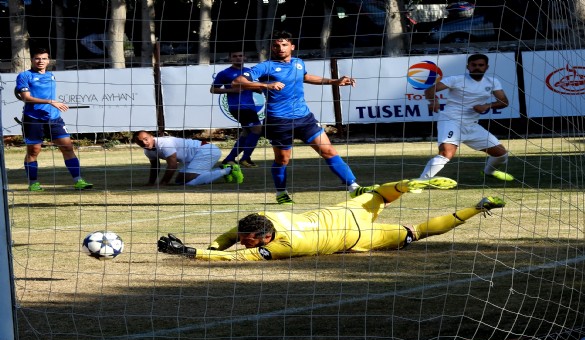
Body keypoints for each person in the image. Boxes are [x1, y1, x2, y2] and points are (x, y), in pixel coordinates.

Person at [156, 176, 505, 261]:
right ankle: (408, 184)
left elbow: (231, 257)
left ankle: (479, 206)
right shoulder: (261, 218)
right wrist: (211, 244)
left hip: (355, 237)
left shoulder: (279, 247)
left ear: (264, 238)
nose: (243, 239)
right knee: (383, 194)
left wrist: (191, 252)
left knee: (418, 231)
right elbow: (233, 235)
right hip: (347, 212)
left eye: (249, 239)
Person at [232, 30, 375, 205]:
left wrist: (334, 81)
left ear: (292, 46)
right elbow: (238, 81)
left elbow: (305, 77)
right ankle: (281, 193)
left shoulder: (298, 63)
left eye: (284, 45)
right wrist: (266, 84)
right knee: (282, 159)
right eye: (276, 45)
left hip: (304, 118)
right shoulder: (266, 66)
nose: (280, 48)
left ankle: (354, 187)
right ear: (272, 47)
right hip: (279, 121)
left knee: (329, 151)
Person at [421, 53, 514, 186]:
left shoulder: (492, 82)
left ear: (486, 67)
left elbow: (504, 101)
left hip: (471, 125)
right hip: (450, 120)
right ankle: (421, 182)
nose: (477, 68)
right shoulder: (456, 79)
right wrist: (433, 100)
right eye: (474, 65)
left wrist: (487, 105)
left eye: (480, 65)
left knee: (501, 154)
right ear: (468, 67)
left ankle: (489, 172)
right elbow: (430, 90)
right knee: (446, 153)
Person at [15, 48, 94, 192]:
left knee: (67, 147)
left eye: (44, 59)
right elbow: (26, 98)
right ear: (32, 60)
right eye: (38, 58)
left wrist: (52, 105)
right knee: (34, 150)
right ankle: (33, 183)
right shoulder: (24, 76)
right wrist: (50, 101)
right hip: (33, 119)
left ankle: (78, 181)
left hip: (54, 118)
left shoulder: (51, 75)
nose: (41, 61)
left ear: (48, 61)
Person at [132, 130, 244, 186]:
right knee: (179, 181)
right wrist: (151, 183)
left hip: (206, 150)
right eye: (140, 141)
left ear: (152, 137)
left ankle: (228, 169)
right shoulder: (147, 151)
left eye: (146, 139)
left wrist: (163, 183)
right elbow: (155, 166)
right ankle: (223, 170)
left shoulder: (164, 143)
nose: (144, 142)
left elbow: (173, 165)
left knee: (190, 183)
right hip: (195, 156)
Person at [210, 50, 262, 168]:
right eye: (235, 56)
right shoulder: (225, 73)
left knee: (247, 132)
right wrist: (231, 90)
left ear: (245, 58)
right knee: (257, 130)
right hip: (238, 107)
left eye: (241, 56)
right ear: (230, 59)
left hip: (250, 106)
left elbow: (251, 87)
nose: (238, 58)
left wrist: (256, 89)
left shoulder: (249, 72)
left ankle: (229, 159)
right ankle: (245, 159)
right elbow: (213, 89)